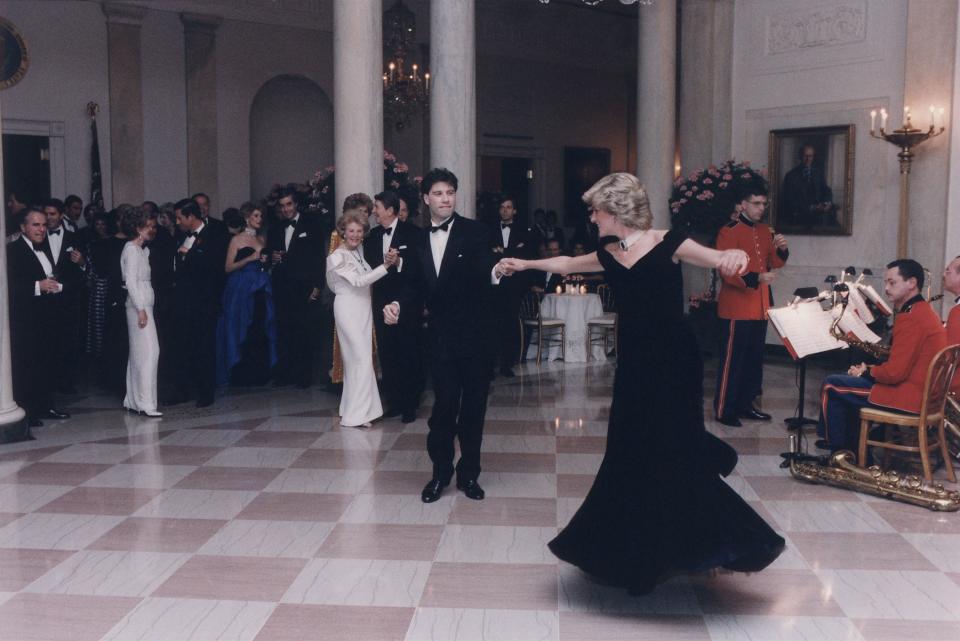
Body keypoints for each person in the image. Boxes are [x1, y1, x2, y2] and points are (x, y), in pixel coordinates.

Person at [498, 172, 784, 595]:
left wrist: (735, 257)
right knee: (630, 449)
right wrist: (525, 264)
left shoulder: (669, 241)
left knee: (674, 447)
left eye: (595, 210)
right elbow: (565, 264)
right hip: (633, 363)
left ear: (614, 210)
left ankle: (700, 541)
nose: (591, 218)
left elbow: (715, 257)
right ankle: (630, 547)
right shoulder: (607, 252)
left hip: (674, 360)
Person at [384, 168, 506, 503]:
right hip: (439, 339)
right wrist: (396, 304)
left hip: (476, 336)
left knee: (474, 409)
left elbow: (486, 268)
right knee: (444, 408)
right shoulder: (418, 240)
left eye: (450, 192)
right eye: (438, 193)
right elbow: (411, 287)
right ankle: (440, 474)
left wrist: (496, 271)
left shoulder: (475, 232)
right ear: (426, 198)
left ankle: (469, 476)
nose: (445, 198)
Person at [816, 259, 947, 453]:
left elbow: (895, 373)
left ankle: (840, 453)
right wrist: (867, 371)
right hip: (926, 396)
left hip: (910, 397)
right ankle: (855, 452)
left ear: (911, 283)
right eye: (886, 282)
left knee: (831, 384)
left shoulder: (912, 318)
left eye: (892, 282)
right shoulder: (924, 311)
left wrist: (867, 372)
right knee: (846, 383)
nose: (886, 288)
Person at [714, 181, 789, 427]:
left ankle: (746, 405)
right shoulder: (729, 230)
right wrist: (756, 278)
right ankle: (725, 410)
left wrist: (782, 250)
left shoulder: (766, 230)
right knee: (732, 361)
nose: (761, 208)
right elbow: (725, 270)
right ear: (743, 205)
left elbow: (775, 263)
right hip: (736, 306)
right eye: (756, 204)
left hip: (760, 306)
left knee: (753, 361)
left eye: (764, 204)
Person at [327, 208, 397, 427]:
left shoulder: (358, 252)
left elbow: (365, 278)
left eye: (359, 231)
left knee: (360, 360)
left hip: (363, 309)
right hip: (348, 308)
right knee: (360, 359)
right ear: (343, 232)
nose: (356, 235)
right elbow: (359, 281)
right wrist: (386, 266)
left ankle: (356, 410)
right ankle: (355, 416)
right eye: (351, 231)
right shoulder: (337, 256)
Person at [363, 190, 425, 422]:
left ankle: (410, 405)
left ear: (389, 210)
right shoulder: (373, 236)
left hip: (407, 302)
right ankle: (394, 402)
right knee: (388, 354)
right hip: (381, 301)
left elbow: (420, 270)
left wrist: (399, 262)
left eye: (377, 207)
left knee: (408, 352)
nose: (374, 212)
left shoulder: (415, 234)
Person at [7, 209, 71, 427]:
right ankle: (28, 411)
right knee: (28, 365)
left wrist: (54, 286)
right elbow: (8, 287)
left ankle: (45, 405)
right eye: (35, 225)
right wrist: (38, 286)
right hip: (26, 320)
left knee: (46, 363)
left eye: (44, 225)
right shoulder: (12, 251)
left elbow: (47, 278)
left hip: (46, 318)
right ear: (23, 227)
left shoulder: (43, 250)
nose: (41, 229)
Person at [171, 199, 229, 407]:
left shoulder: (215, 235)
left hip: (204, 303)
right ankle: (183, 391)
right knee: (184, 347)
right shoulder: (179, 236)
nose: (176, 222)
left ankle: (205, 393)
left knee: (204, 347)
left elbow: (215, 268)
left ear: (191, 217)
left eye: (179, 217)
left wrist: (192, 256)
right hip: (183, 303)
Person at [267, 188, 324, 388]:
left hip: (305, 288)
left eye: (289, 204)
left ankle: (304, 376)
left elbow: (319, 257)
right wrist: (271, 258)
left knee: (305, 332)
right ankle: (285, 374)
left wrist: (318, 286)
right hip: (282, 288)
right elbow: (267, 254)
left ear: (296, 204)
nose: (285, 209)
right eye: (282, 206)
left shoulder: (312, 225)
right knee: (285, 331)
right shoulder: (274, 228)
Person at [216, 202, 277, 386]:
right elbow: (227, 267)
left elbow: (265, 264)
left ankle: (258, 372)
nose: (259, 219)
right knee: (240, 326)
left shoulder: (262, 239)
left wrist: (269, 261)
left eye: (261, 216)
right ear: (247, 217)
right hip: (241, 288)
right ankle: (239, 373)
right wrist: (249, 258)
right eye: (256, 216)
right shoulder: (236, 240)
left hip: (261, 287)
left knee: (259, 326)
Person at [120, 210, 161, 417]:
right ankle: (145, 402)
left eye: (154, 226)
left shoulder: (141, 250)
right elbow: (131, 283)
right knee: (150, 353)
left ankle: (133, 400)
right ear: (137, 228)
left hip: (145, 305)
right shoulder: (131, 250)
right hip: (139, 306)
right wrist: (140, 310)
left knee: (139, 353)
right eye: (148, 227)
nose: (152, 230)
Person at [43, 198, 87, 395]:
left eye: (52, 214)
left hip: (68, 298)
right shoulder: (38, 236)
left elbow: (86, 269)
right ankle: (48, 382)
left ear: (61, 215)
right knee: (47, 341)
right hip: (44, 299)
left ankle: (67, 382)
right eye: (46, 214)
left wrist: (81, 262)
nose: (49, 218)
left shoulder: (74, 237)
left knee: (68, 341)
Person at [490, 194, 536, 377]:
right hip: (494, 285)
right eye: (502, 207)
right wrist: (509, 252)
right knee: (493, 324)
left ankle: (507, 364)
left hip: (515, 286)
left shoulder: (524, 231)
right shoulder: (489, 230)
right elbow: (488, 254)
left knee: (510, 324)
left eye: (508, 207)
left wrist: (503, 251)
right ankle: (491, 364)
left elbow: (526, 255)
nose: (505, 210)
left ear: (514, 210)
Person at [780, 144, 836, 228]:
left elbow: (826, 190)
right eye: (805, 156)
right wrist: (812, 207)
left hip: (819, 216)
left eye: (810, 156)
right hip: (800, 217)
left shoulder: (818, 173)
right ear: (800, 156)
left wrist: (827, 202)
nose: (808, 159)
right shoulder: (791, 175)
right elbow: (789, 200)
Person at [943, 255, 960, 394]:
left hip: (955, 388)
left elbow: (950, 357)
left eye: (948, 271)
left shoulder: (957, 312)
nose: (944, 275)